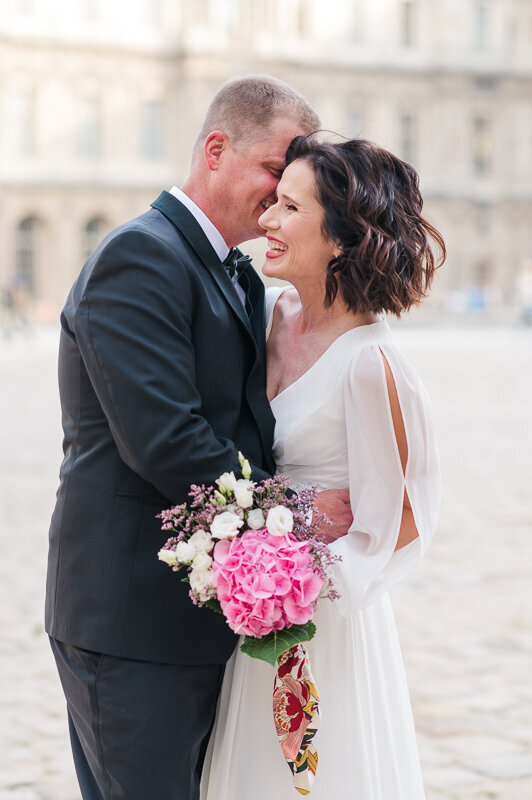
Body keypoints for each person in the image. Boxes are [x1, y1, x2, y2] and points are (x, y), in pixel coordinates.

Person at [45, 76, 352, 800]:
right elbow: (168, 441)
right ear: (216, 150)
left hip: (199, 618)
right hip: (131, 621)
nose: (284, 194)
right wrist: (297, 515)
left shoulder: (236, 275)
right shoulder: (139, 258)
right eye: (277, 171)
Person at [201, 136, 446, 799]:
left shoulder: (372, 363)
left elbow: (402, 517)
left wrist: (299, 580)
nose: (268, 222)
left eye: (288, 208)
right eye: (273, 202)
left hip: (323, 621)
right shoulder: (268, 315)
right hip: (250, 614)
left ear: (339, 236)